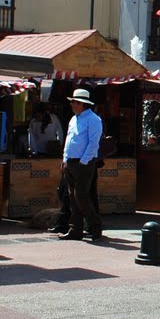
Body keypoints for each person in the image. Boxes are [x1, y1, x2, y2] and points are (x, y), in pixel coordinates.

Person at [58, 89, 106, 242]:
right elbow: (68, 140)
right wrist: (65, 159)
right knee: (72, 197)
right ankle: (75, 229)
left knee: (81, 196)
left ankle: (95, 225)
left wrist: (84, 161)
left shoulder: (93, 119)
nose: (72, 104)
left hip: (83, 162)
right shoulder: (74, 119)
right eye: (72, 102)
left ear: (83, 104)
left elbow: (93, 142)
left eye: (76, 102)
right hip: (71, 161)